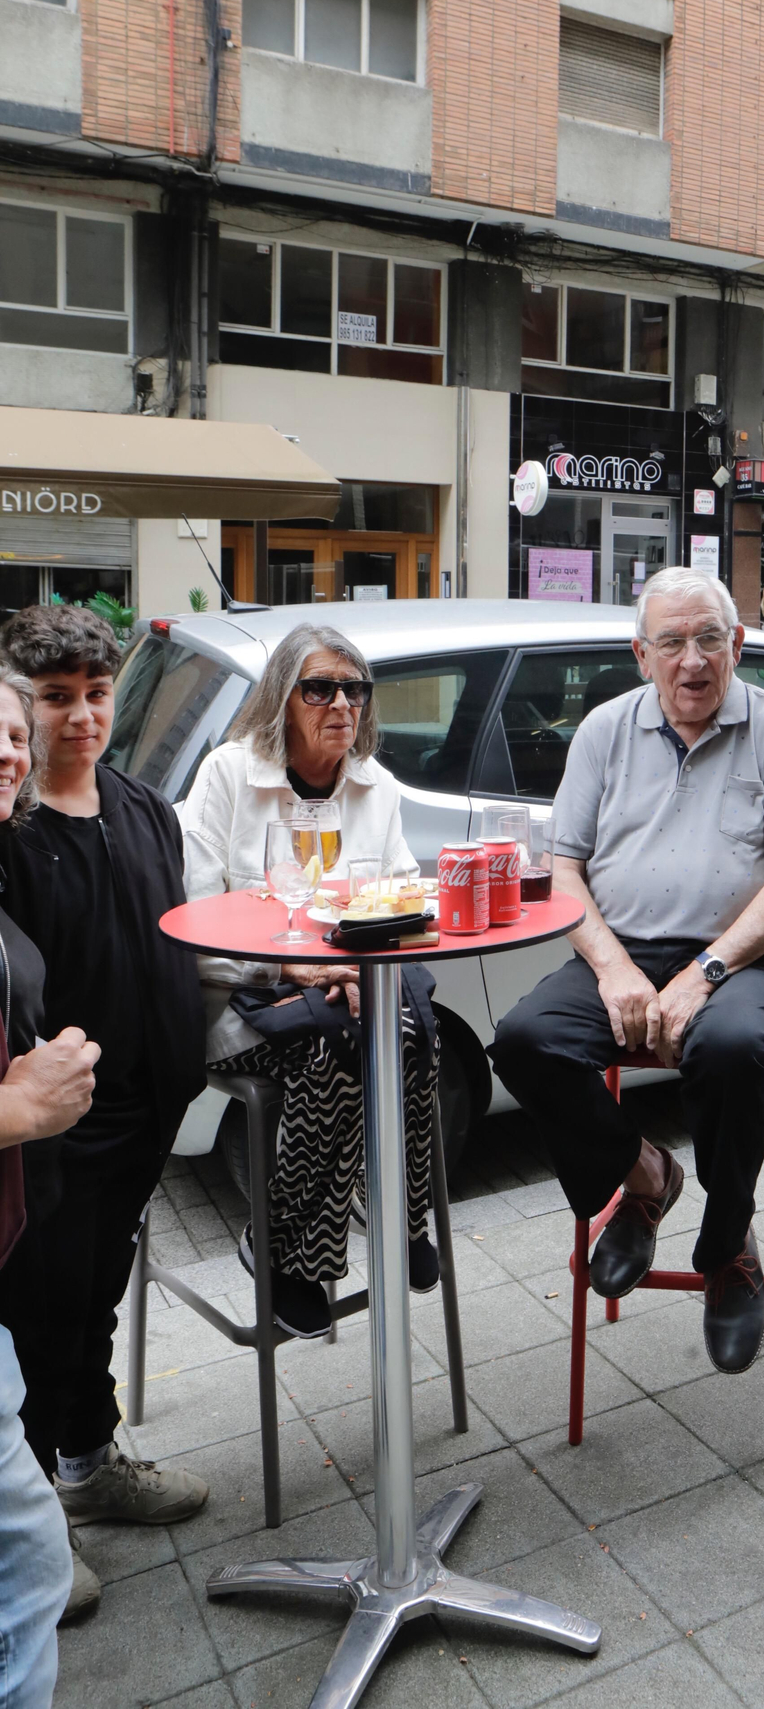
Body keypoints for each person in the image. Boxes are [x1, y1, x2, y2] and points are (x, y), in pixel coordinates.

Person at [490, 566, 764, 1372]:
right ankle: (643, 1178)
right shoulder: (605, 730)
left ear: (737, 645)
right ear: (641, 655)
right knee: (523, 1040)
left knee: (734, 1047)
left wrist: (704, 973)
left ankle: (727, 1251)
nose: (692, 661)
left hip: (743, 956)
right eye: (671, 642)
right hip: (625, 949)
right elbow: (563, 868)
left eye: (709, 639)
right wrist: (612, 970)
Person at [0, 609, 210, 1614]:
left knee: (98, 1297)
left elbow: (177, 939)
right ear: (21, 703)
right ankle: (32, 1508)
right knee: (40, 1310)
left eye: (95, 691)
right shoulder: (11, 831)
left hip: (143, 1109)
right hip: (48, 1130)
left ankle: (89, 1462)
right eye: (54, 696)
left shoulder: (144, 806)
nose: (81, 714)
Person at [178, 623, 440, 1341]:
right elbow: (194, 918)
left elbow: (402, 898)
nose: (341, 705)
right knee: (339, 1054)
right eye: (319, 688)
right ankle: (287, 1251)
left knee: (413, 1034)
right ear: (281, 700)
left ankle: (398, 1217)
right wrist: (287, 964)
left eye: (355, 690)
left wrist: (353, 962)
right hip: (241, 996)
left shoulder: (373, 786)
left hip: (349, 990)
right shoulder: (230, 775)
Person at [0, 661, 101, 1696]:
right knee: (28, 1566)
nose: (10, 750)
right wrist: (20, 1106)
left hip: (41, 1187)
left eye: (8, 733)